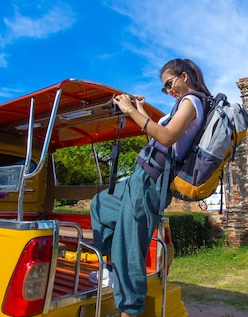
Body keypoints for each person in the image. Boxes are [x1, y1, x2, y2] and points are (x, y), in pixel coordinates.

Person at [90, 58, 211, 316]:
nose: (169, 91)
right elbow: (157, 135)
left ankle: (130, 309)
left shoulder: (192, 102)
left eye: (170, 84)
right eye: (164, 88)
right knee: (100, 204)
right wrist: (141, 110)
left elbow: (166, 138)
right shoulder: (180, 106)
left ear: (185, 77)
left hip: (150, 184)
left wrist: (129, 111)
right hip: (139, 178)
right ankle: (110, 270)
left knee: (130, 245)